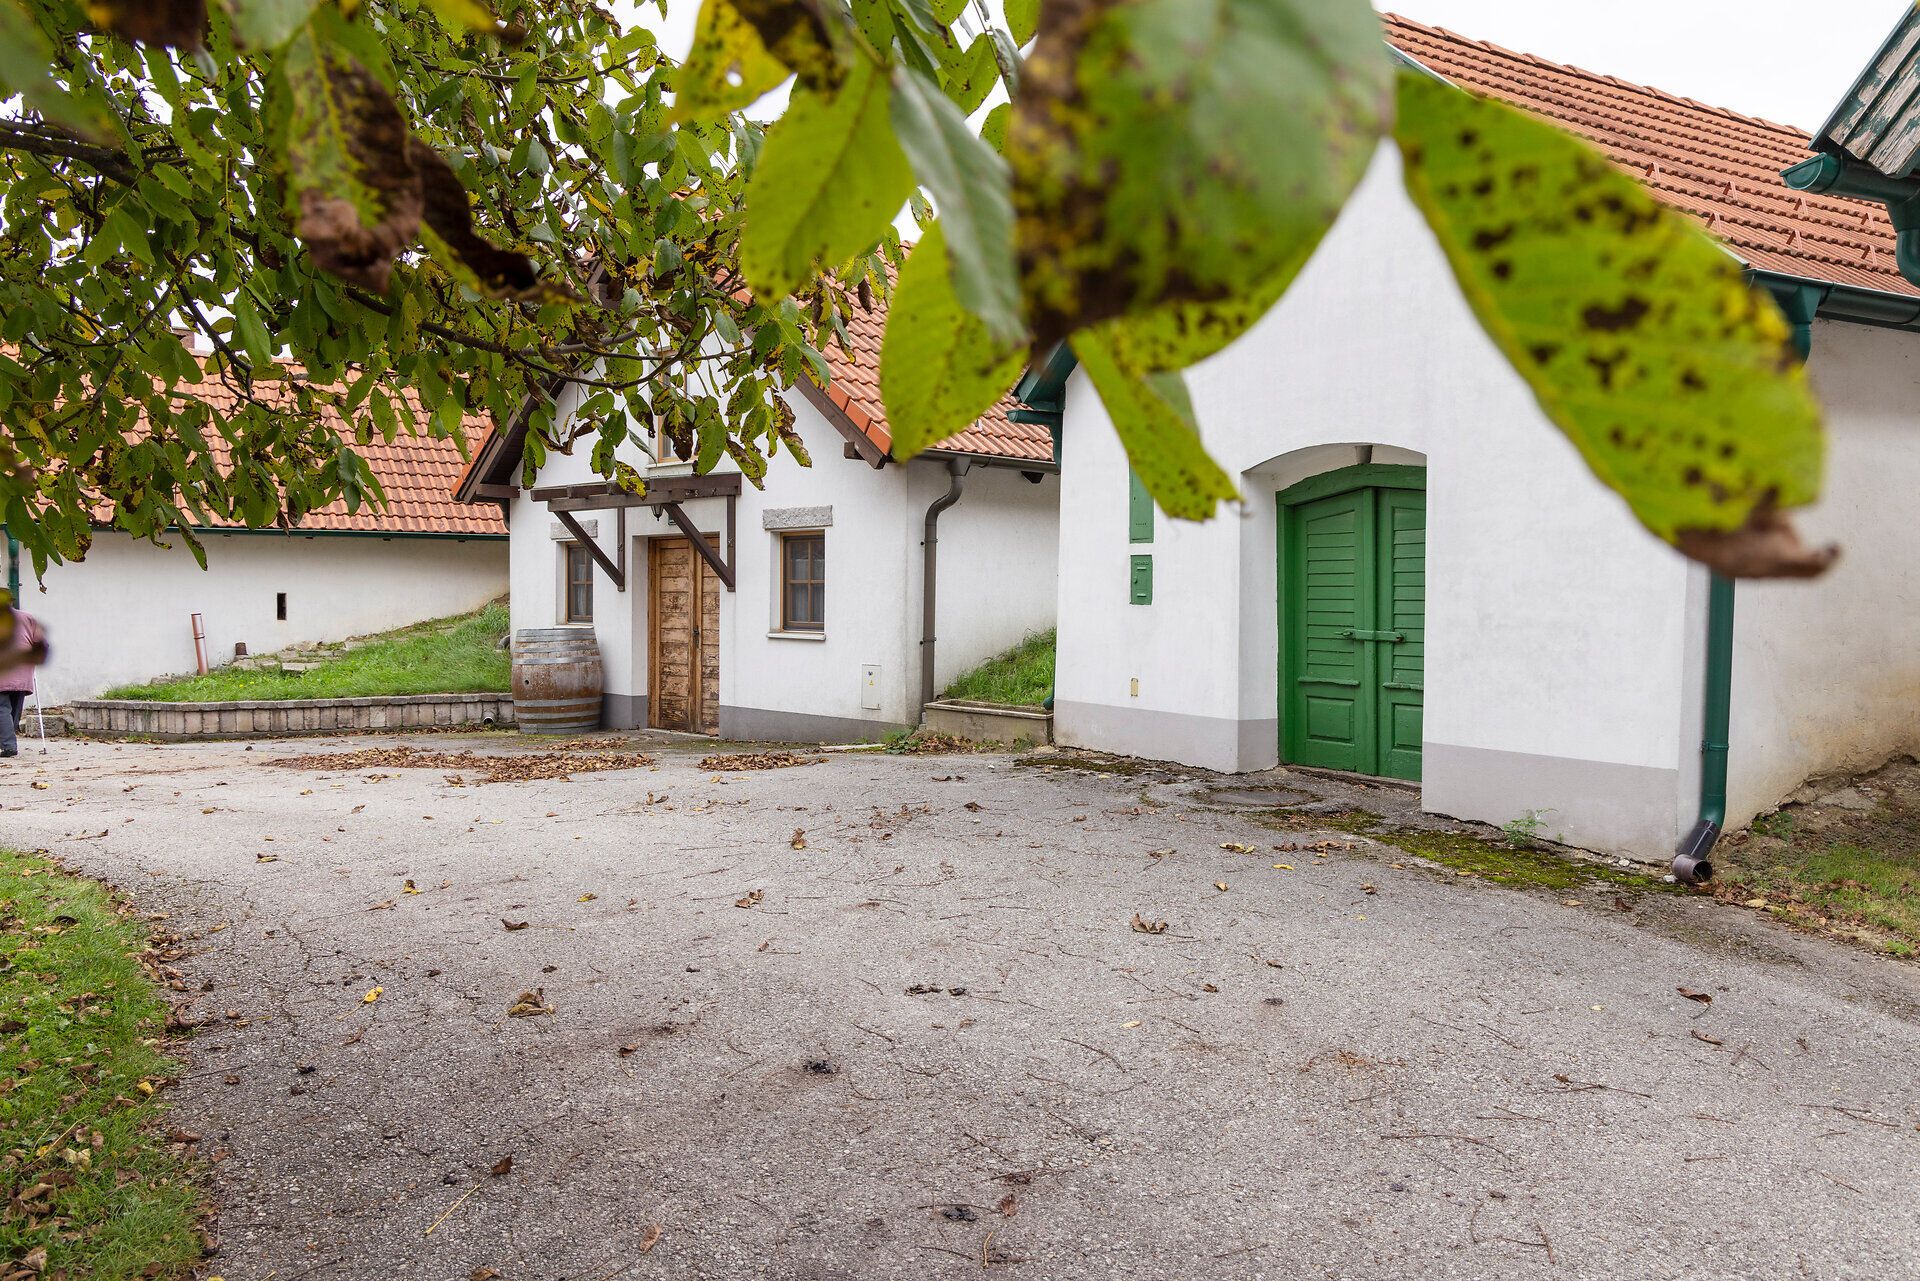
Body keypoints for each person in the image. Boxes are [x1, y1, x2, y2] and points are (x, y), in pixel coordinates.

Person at [0, 601, 43, 758]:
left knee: (2, 708)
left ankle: (8, 745)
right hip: (23, 668)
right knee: (14, 706)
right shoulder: (27, 617)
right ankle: (7, 740)